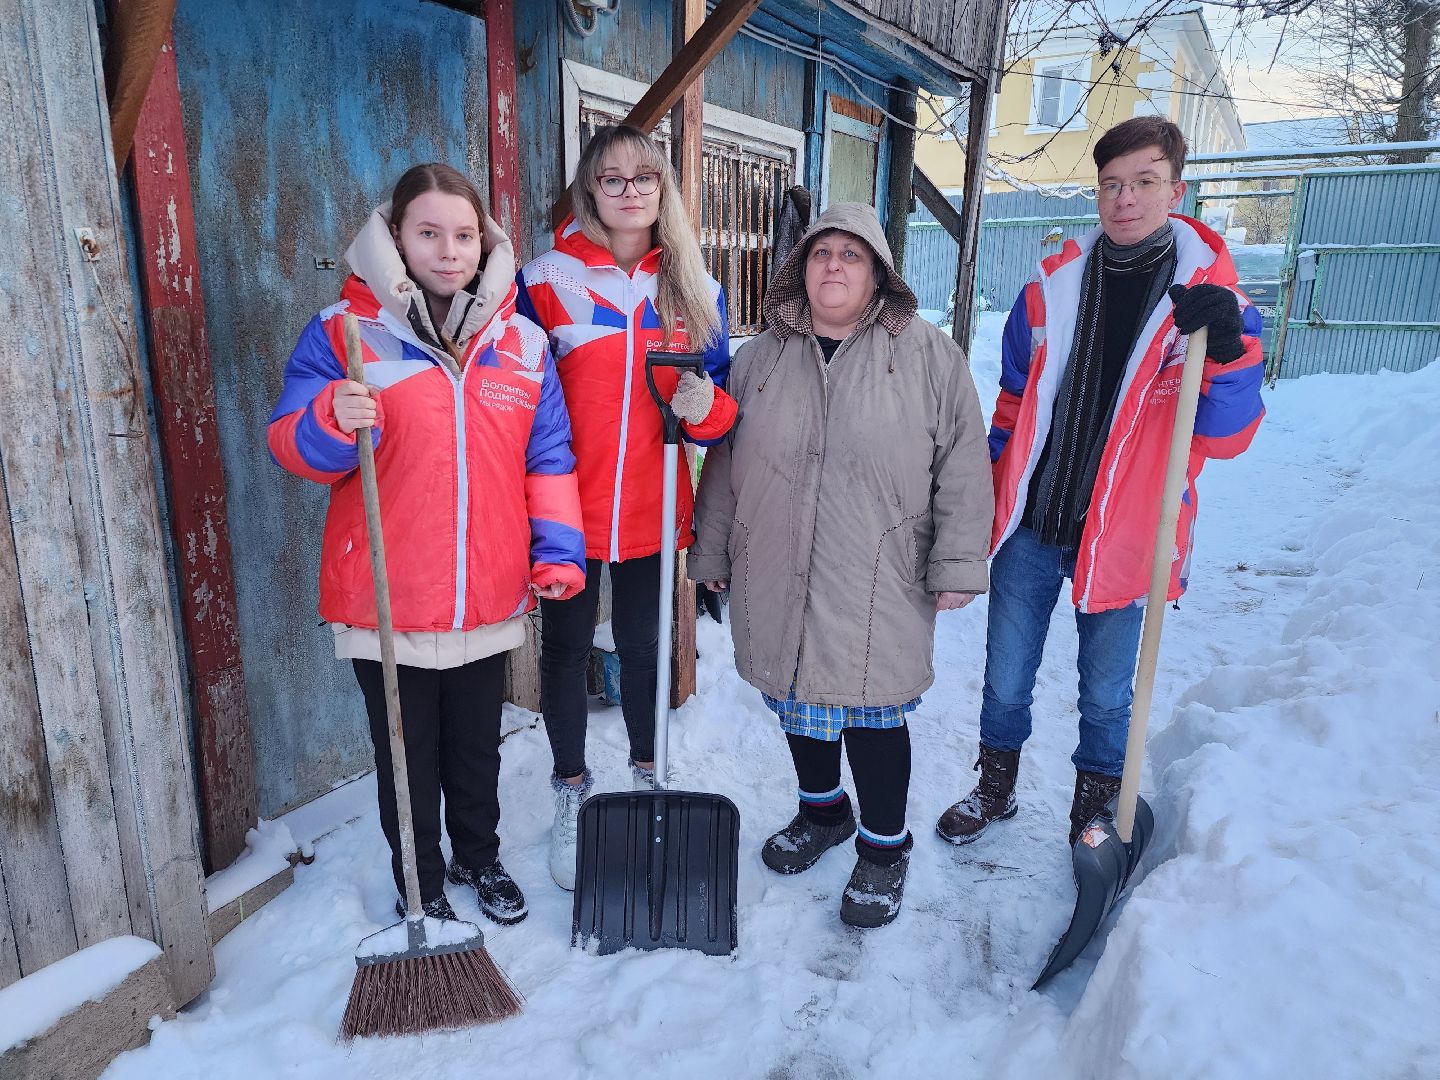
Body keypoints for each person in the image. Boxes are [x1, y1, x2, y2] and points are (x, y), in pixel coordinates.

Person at [935, 116, 1266, 849]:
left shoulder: (1211, 310)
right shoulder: (1048, 292)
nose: (1126, 199)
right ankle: (995, 788)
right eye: (1112, 184)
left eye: (1145, 182)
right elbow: (1015, 406)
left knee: (1109, 694)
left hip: (1128, 531)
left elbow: (1227, 436)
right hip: (1036, 520)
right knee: (1004, 677)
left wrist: (1231, 355)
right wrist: (993, 489)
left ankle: (1096, 810)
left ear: (1176, 191)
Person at [268, 163, 586, 925]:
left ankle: (480, 857)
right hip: (388, 598)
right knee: (407, 760)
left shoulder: (522, 345)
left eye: (464, 235)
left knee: (478, 750)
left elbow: (548, 459)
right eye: (429, 233)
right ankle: (421, 879)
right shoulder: (344, 333)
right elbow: (291, 445)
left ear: (485, 243)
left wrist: (560, 552)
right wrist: (330, 420)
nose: (448, 250)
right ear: (398, 241)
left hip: (486, 593)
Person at [689, 203, 994, 928]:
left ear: (879, 273)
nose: (834, 265)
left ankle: (884, 849)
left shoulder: (928, 356)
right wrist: (712, 549)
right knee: (795, 696)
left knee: (872, 709)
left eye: (851, 255)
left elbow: (964, 467)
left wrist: (957, 561)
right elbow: (726, 462)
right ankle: (823, 813)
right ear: (801, 268)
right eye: (822, 252)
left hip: (879, 569)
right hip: (776, 560)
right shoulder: (759, 357)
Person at [516, 125, 737, 891]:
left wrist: (706, 407)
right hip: (567, 507)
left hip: (651, 504)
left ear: (664, 190)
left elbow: (721, 408)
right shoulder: (543, 278)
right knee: (568, 650)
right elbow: (516, 390)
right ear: (590, 189)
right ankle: (571, 792)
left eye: (645, 178)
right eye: (613, 179)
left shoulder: (695, 286)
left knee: (646, 648)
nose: (630, 191)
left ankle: (649, 776)